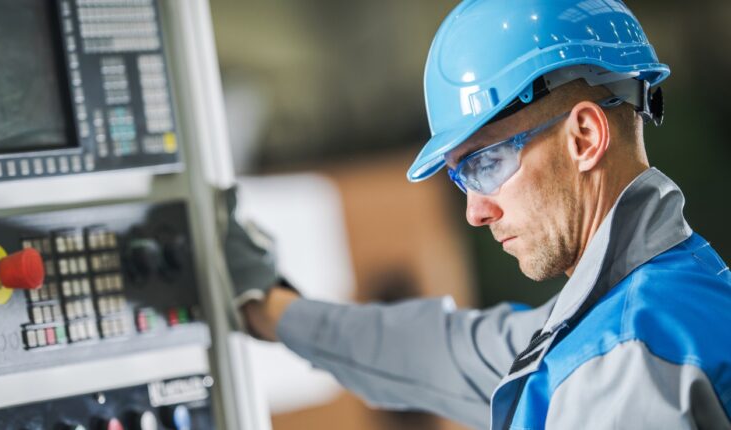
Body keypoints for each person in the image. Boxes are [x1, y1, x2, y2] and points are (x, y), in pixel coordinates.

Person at [221, 0, 731, 428]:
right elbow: (439, 352)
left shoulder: (622, 365)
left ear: (585, 138)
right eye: (461, 178)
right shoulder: (663, 299)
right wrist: (268, 306)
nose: (475, 213)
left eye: (486, 163)